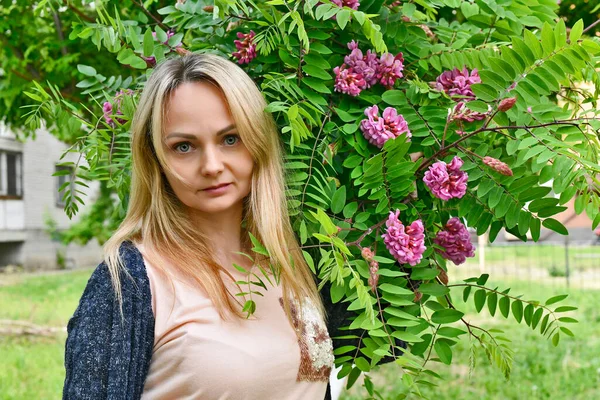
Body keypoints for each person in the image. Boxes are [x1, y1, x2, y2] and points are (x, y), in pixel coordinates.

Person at [62, 52, 403, 400]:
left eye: (230, 139)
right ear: (155, 160)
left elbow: (383, 341)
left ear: (258, 141)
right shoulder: (132, 281)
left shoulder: (297, 260)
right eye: (184, 146)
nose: (212, 165)